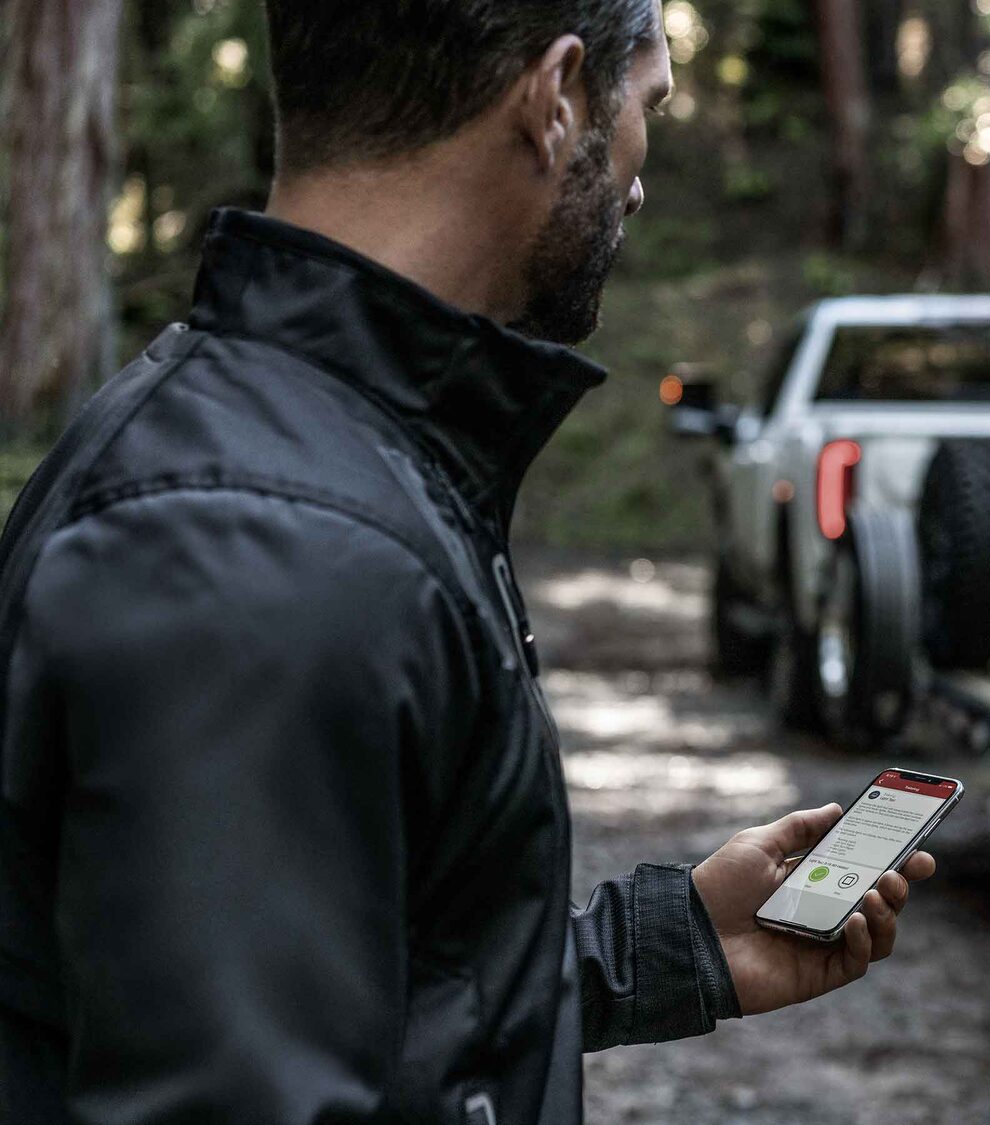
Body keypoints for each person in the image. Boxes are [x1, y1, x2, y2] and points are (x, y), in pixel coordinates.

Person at [0, 2, 935, 1121]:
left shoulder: (293, 455)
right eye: (647, 106)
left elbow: (350, 996)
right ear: (556, 99)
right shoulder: (268, 543)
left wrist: (667, 946)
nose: (640, 180)